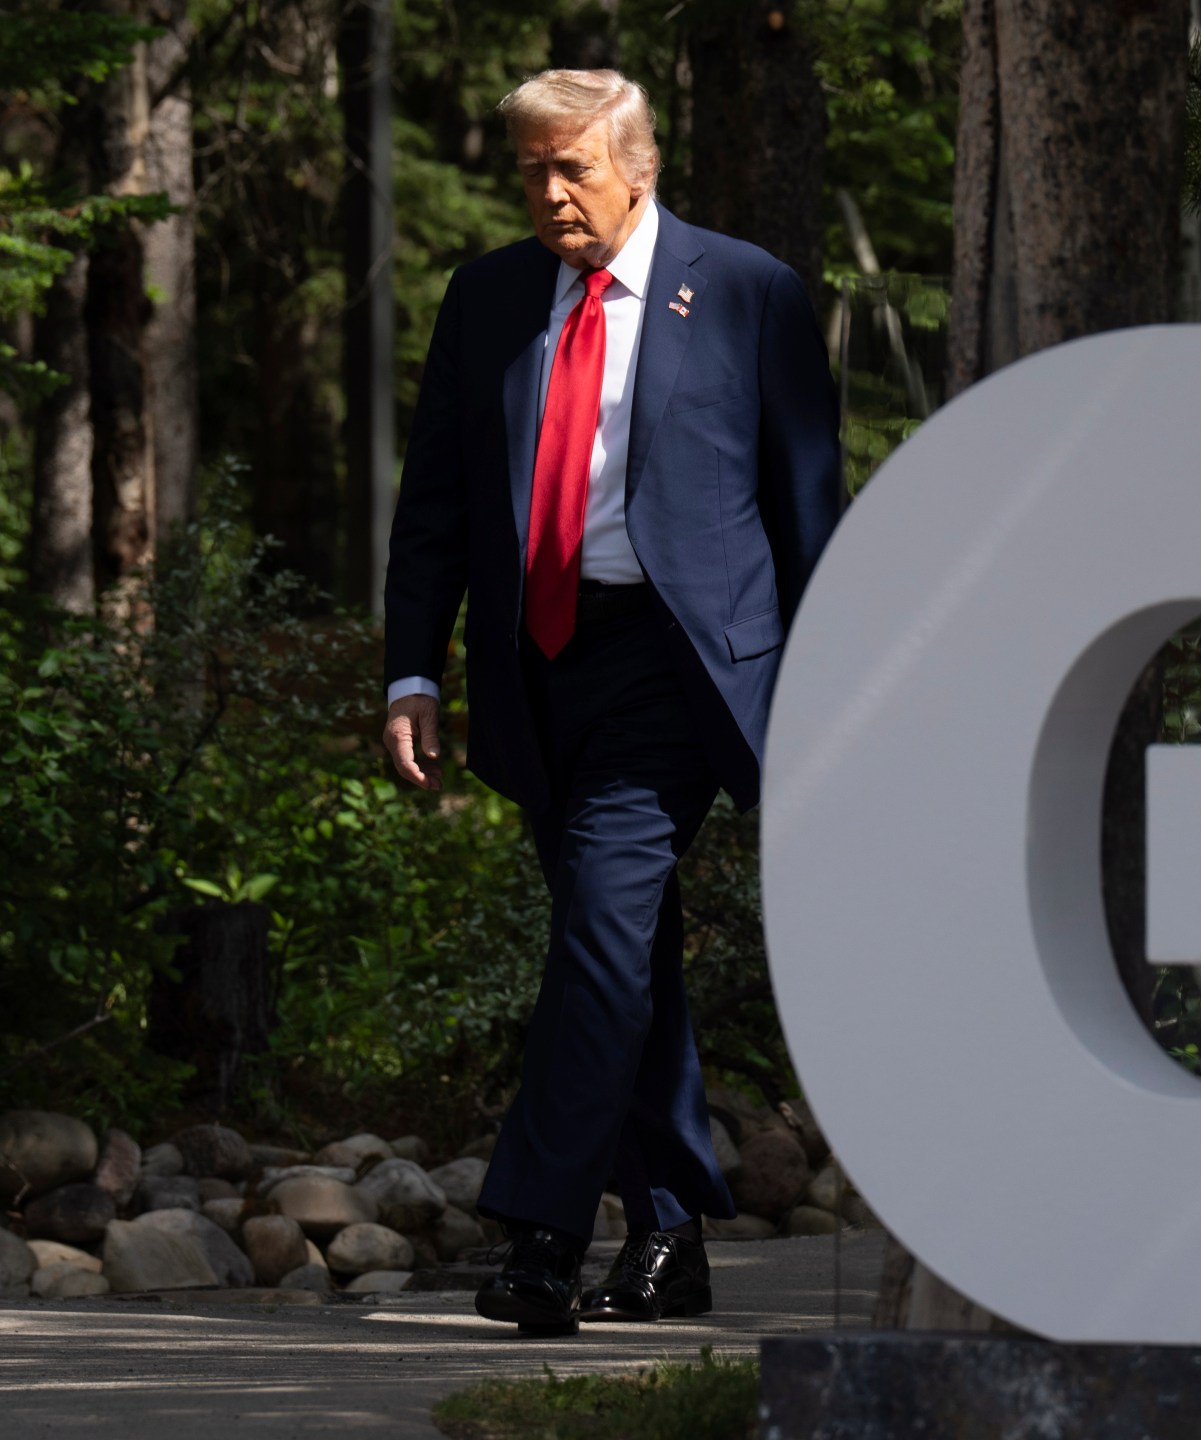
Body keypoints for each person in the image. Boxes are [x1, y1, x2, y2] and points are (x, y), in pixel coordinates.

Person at [380, 68, 842, 1334]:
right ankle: (671, 1232)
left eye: (570, 166)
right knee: (621, 946)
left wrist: (833, 688)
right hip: (535, 666)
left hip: (680, 665)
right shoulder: (483, 301)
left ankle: (536, 1232)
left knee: (601, 923)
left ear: (637, 165)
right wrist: (413, 668)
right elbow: (434, 505)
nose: (548, 193)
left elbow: (808, 509)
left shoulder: (746, 292)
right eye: (528, 168)